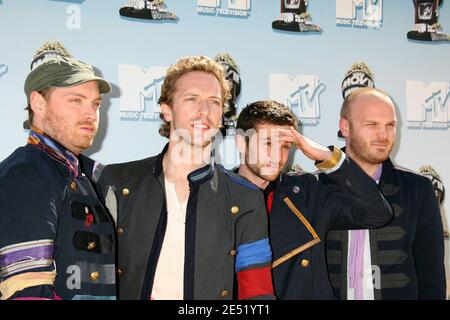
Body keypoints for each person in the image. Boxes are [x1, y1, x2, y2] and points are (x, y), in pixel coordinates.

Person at [98, 56, 274, 300]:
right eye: (192, 99)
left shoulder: (245, 198)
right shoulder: (116, 182)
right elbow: (92, 278)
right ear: (166, 109)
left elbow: (258, 293)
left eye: (214, 101)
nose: (204, 111)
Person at [235, 100, 393, 299]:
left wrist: (328, 156)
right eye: (268, 143)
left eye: (285, 146)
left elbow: (377, 214)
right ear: (241, 142)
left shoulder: (307, 192)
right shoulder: (217, 199)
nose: (278, 156)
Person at [0, 41, 116, 300]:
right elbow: (27, 293)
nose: (91, 114)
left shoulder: (87, 174)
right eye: (76, 100)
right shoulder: (26, 173)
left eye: (95, 104)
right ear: (38, 104)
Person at [325, 87, 446, 299]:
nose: (383, 135)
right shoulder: (316, 187)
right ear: (345, 127)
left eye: (390, 125)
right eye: (371, 125)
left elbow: (431, 276)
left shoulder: (418, 189)